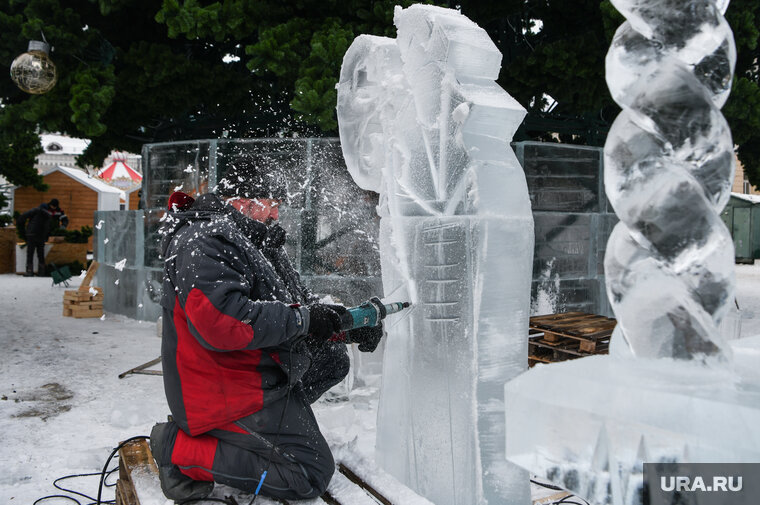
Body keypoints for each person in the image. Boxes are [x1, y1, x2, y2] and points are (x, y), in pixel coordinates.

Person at [150, 157, 384, 502]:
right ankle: (181, 450)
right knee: (309, 475)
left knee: (332, 359)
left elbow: (299, 308)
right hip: (218, 384)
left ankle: (258, 437)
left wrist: (346, 327)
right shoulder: (203, 242)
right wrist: (305, 319)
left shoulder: (254, 239)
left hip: (248, 369)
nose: (276, 214)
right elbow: (223, 323)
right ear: (243, 201)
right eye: (272, 205)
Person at [16, 198, 68, 276]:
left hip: (32, 234)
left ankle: (30, 271)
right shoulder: (49, 215)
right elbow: (50, 225)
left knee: (30, 253)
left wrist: (23, 229)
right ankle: (41, 271)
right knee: (40, 253)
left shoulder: (37, 211)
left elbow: (22, 217)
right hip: (41, 235)